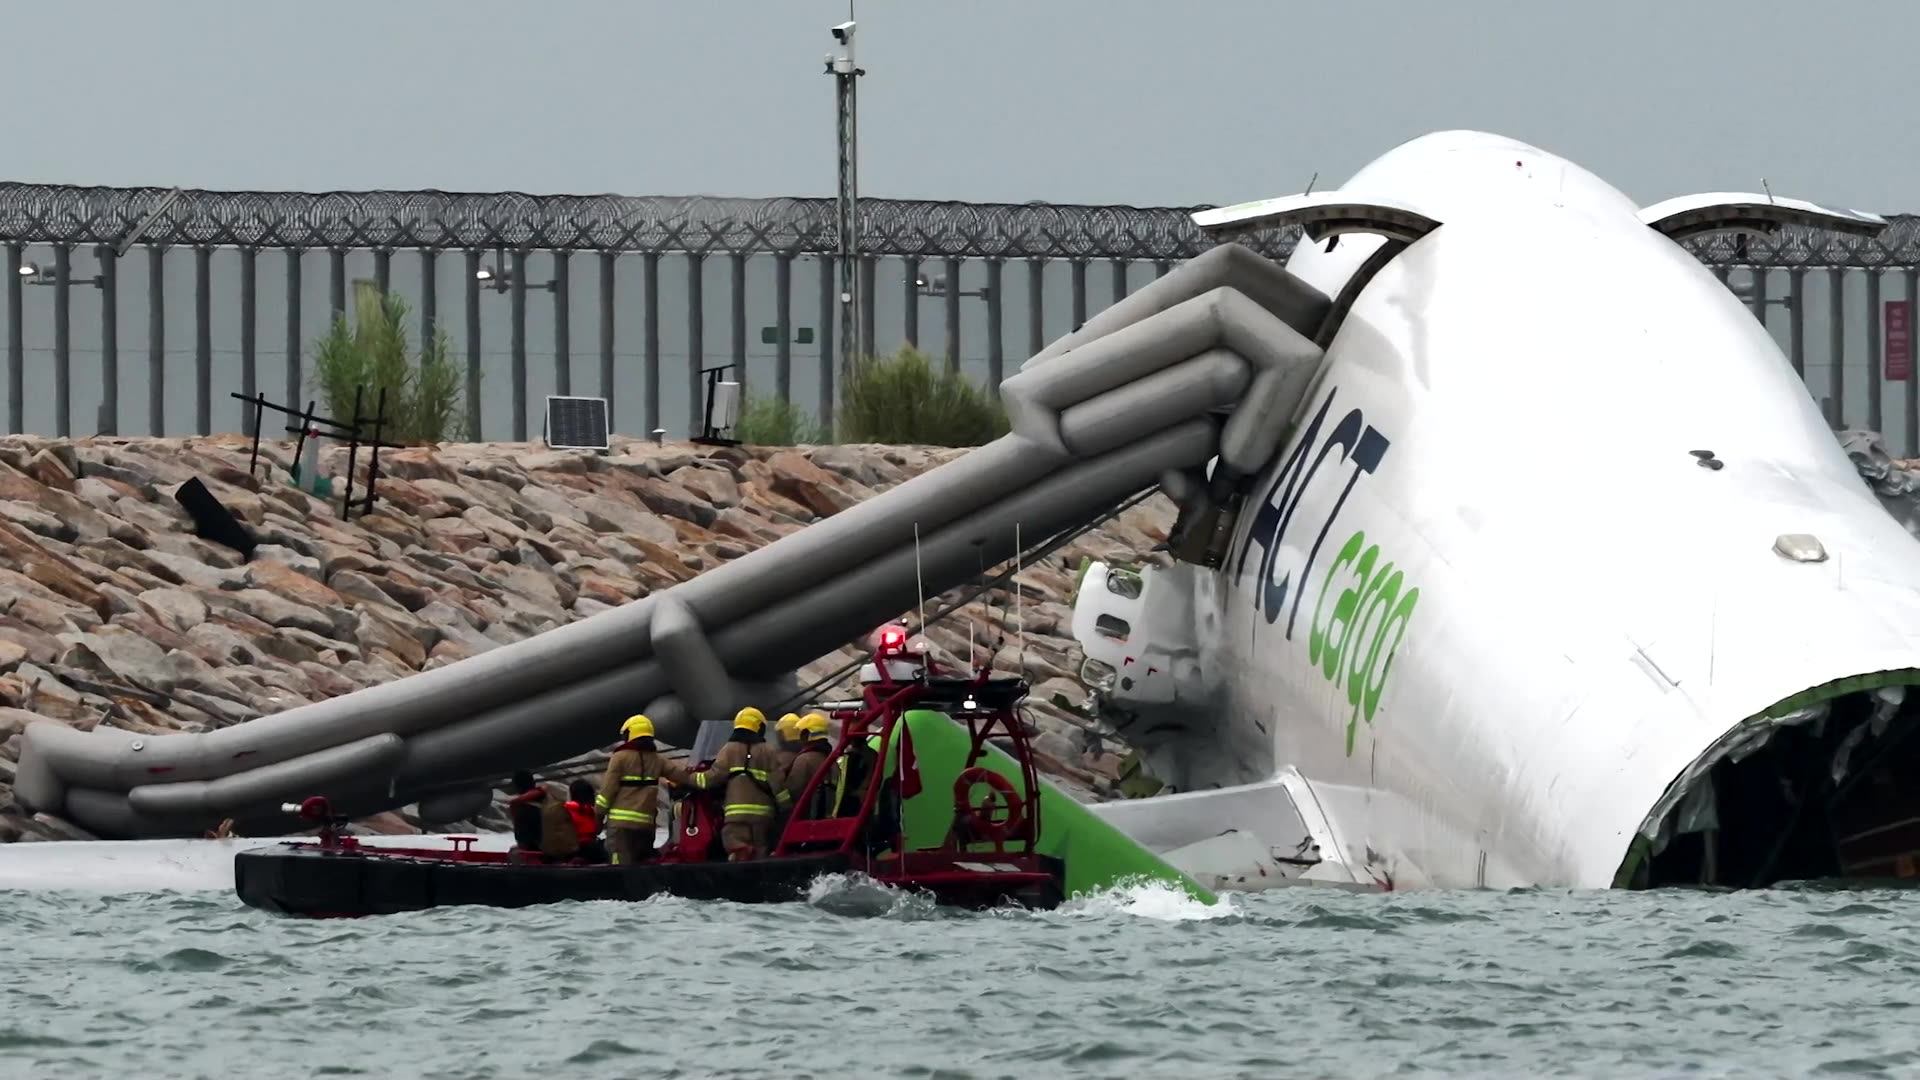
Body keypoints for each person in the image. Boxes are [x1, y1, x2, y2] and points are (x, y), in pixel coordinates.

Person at [683, 707, 790, 861]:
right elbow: (778, 784)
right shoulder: (768, 751)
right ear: (759, 727)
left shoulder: (729, 750)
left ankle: (739, 860)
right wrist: (787, 808)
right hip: (763, 817)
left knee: (735, 846)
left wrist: (689, 779)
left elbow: (712, 778)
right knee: (761, 851)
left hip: (736, 817)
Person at [596, 714, 681, 866]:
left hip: (620, 828)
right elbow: (683, 777)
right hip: (646, 828)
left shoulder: (620, 757)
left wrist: (597, 817)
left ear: (630, 734)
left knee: (619, 869)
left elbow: (607, 792)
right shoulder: (658, 760)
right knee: (643, 867)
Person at [784, 712, 840, 815]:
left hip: (804, 818)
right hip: (826, 817)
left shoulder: (804, 760)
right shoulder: (832, 761)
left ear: (807, 734)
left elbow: (793, 789)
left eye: (802, 733)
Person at [506, 770, 551, 861]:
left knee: (513, 852)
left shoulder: (523, 811)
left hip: (539, 856)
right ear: (533, 783)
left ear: (516, 787)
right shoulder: (549, 800)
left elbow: (523, 843)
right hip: (561, 851)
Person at [565, 779, 610, 864]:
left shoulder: (566, 810)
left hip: (573, 848)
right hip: (589, 848)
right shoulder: (591, 811)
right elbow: (596, 830)